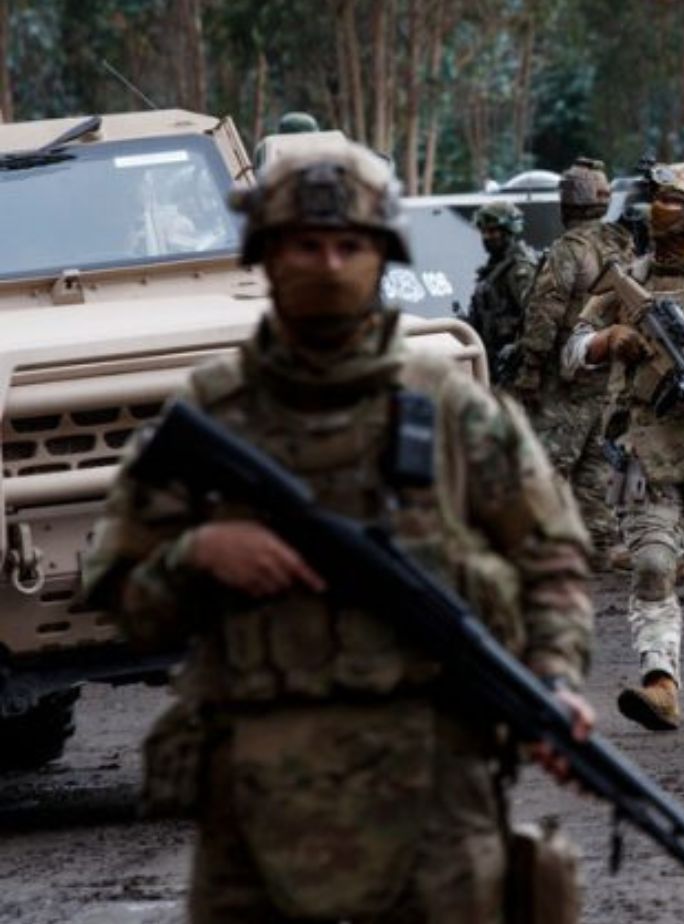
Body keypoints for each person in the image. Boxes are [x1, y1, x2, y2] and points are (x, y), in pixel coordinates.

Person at [80, 139, 596, 923]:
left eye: (349, 245)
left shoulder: (451, 406)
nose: (327, 265)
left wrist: (554, 679)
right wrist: (200, 554)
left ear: (381, 256)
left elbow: (550, 555)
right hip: (258, 799)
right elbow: (119, 587)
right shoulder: (214, 413)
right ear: (266, 256)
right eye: (306, 245)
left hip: (435, 792)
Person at [562, 162, 684, 729]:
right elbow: (571, 350)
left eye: (668, 200)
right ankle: (660, 680)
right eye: (655, 198)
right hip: (644, 448)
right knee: (650, 563)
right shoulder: (630, 280)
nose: (654, 208)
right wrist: (607, 340)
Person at [515, 158, 635, 570]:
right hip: (607, 369)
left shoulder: (569, 250)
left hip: (566, 372)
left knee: (548, 459)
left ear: (566, 202)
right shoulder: (621, 243)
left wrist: (530, 367)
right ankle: (599, 543)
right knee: (595, 461)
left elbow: (546, 310)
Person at [466, 200, 540, 383]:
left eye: (492, 231)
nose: (486, 237)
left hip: (513, 367)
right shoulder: (494, 268)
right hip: (494, 363)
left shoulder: (519, 269)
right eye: (483, 232)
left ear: (508, 232)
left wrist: (517, 351)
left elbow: (536, 317)